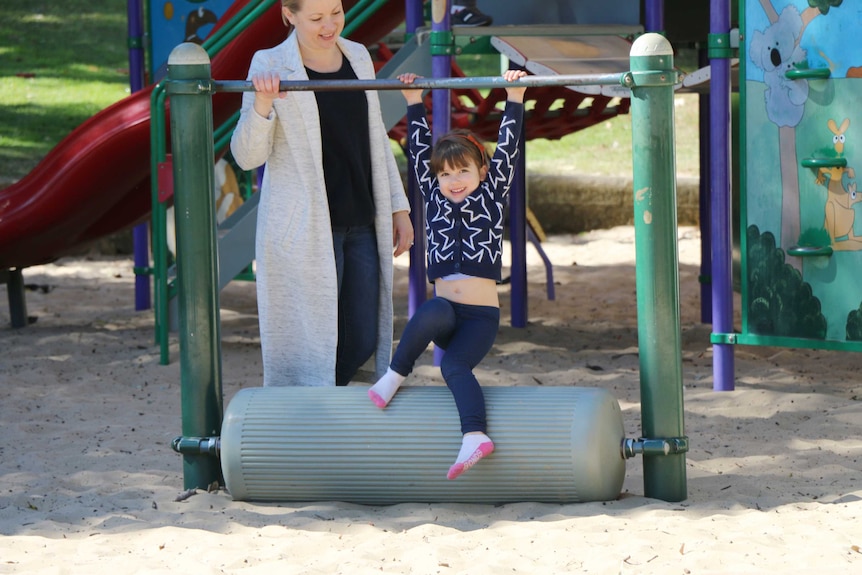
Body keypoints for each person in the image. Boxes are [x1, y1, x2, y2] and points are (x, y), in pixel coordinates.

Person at [230, 0, 414, 388]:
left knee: (364, 335)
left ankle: (325, 404)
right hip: (307, 228)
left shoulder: (358, 56)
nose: (329, 24)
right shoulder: (269, 63)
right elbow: (247, 156)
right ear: (289, 15)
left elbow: (375, 137)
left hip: (363, 219)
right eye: (316, 18)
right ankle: (318, 418)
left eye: (336, 11)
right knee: (313, 341)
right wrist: (262, 106)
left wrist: (399, 207)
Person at [368, 68, 528, 480]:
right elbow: (419, 155)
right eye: (445, 174)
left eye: (463, 172)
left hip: (479, 319)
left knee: (454, 369)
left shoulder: (492, 196)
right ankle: (395, 373)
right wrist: (413, 102)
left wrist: (515, 97)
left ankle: (474, 435)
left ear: (481, 172)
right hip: (445, 314)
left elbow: (508, 151)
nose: (453, 181)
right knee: (435, 308)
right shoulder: (434, 201)